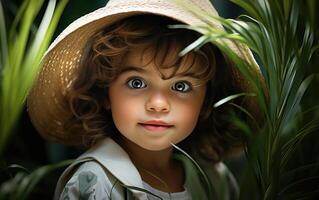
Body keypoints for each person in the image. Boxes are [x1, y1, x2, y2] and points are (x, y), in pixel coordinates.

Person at [27, 0, 264, 199]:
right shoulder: (97, 182)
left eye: (181, 86)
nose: (158, 104)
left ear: (206, 101)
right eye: (136, 83)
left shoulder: (213, 181)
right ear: (105, 91)